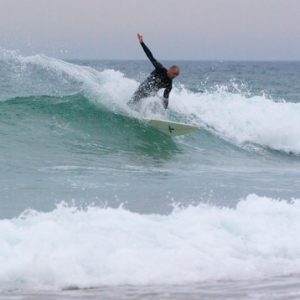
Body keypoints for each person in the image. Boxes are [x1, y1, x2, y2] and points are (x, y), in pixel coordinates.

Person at [129, 33, 180, 109]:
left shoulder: (169, 84)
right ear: (169, 70)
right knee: (132, 102)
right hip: (143, 89)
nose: (175, 76)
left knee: (152, 103)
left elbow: (165, 99)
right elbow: (150, 56)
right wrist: (142, 43)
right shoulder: (160, 68)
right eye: (174, 74)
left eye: (176, 75)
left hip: (150, 95)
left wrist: (164, 112)